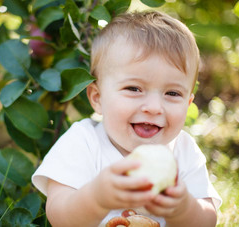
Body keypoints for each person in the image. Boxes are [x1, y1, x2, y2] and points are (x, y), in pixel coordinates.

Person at [32, 10, 222, 227]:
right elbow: (59, 216)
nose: (153, 108)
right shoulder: (82, 141)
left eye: (172, 93)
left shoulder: (184, 150)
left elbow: (207, 220)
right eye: (134, 88)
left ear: (188, 104)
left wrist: (184, 208)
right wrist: (96, 197)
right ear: (98, 98)